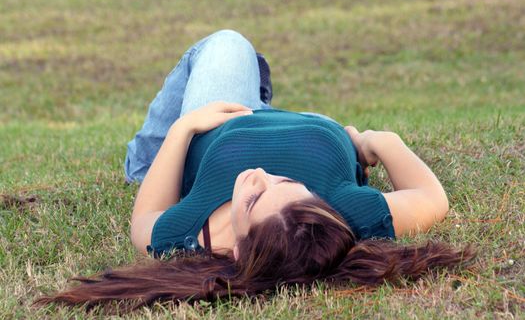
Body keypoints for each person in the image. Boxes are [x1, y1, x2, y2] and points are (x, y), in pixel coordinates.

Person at [35, 30, 474, 311]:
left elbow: (142, 221)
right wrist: (373, 141)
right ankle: (259, 94)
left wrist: (185, 128)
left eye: (252, 197)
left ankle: (144, 160)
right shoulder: (338, 217)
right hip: (304, 123)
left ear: (238, 250)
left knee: (227, 44)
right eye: (288, 183)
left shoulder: (191, 232)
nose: (261, 173)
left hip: (219, 118)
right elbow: (433, 198)